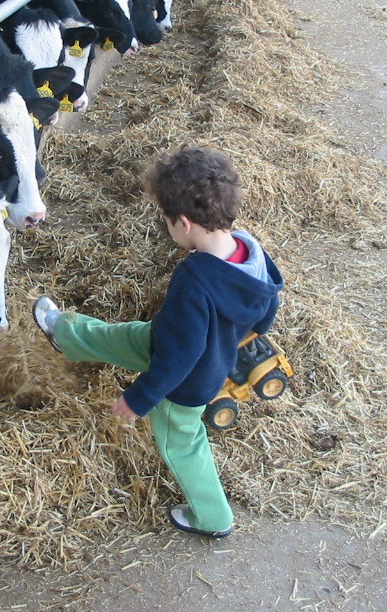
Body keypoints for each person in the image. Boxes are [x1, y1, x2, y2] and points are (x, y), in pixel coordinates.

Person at [33, 145, 284, 538]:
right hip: (171, 339)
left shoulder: (194, 280)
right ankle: (65, 334)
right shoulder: (249, 249)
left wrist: (140, 397)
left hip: (186, 381)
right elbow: (269, 302)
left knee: (182, 444)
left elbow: (182, 356)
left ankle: (213, 519)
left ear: (183, 223)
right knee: (121, 336)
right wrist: (246, 333)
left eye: (165, 220)